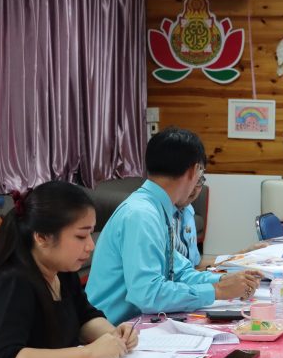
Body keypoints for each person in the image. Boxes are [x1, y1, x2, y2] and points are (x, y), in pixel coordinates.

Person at [0, 182, 137, 358]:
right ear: (42, 237)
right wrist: (89, 353)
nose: (90, 246)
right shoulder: (11, 282)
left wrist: (113, 335)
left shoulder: (62, 270)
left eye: (90, 234)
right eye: (81, 236)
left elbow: (84, 316)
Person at [87, 128, 262, 324]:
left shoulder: (157, 208)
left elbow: (180, 272)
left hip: (134, 324)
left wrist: (225, 280)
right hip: (110, 328)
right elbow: (148, 295)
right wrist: (218, 290)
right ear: (194, 170)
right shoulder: (142, 215)